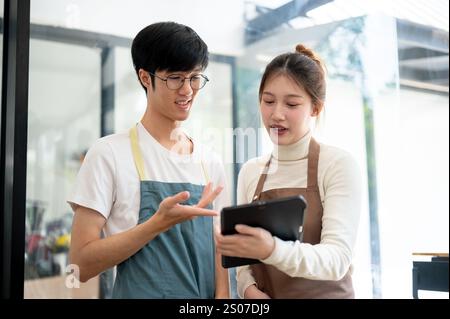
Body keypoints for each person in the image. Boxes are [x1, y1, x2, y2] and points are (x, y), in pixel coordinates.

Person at [68, 22, 230, 299]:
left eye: (195, 77)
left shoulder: (210, 161)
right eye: (176, 78)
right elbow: (78, 267)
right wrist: (157, 223)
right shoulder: (108, 154)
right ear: (145, 77)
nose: (188, 90)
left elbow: (221, 250)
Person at [216, 44, 361, 299]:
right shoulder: (251, 172)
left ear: (315, 108)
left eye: (291, 104)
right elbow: (243, 263)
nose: (276, 114)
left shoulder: (337, 164)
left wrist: (272, 249)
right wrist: (248, 290)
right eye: (268, 101)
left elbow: (337, 259)